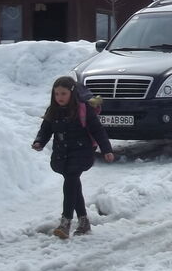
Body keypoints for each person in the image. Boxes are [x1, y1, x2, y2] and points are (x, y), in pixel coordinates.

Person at [32, 76, 115, 239]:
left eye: (63, 94)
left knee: (70, 181)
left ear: (72, 93)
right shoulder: (53, 110)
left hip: (81, 152)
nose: (59, 98)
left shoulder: (83, 109)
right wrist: (39, 142)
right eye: (56, 94)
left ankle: (66, 222)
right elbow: (46, 129)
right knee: (73, 185)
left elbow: (98, 130)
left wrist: (107, 149)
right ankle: (83, 222)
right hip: (62, 154)